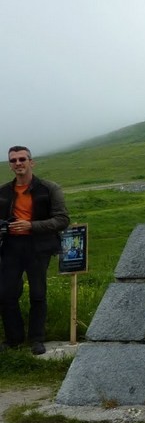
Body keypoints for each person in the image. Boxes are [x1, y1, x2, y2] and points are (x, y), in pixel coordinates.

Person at [0, 146, 70, 355]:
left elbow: (62, 219)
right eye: (13, 160)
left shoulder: (49, 188)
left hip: (39, 247)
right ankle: (14, 339)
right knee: (5, 294)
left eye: (22, 159)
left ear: (32, 162)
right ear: (10, 165)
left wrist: (31, 226)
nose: (18, 163)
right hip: (11, 247)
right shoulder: (3, 191)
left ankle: (37, 339)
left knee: (38, 293)